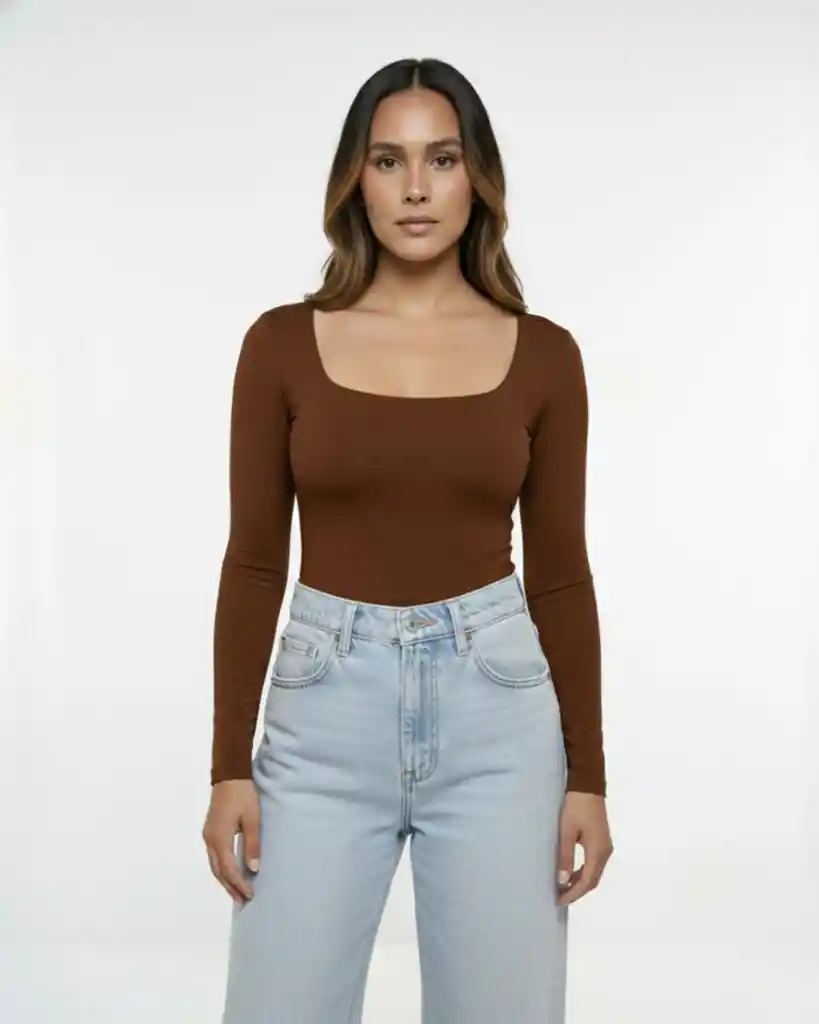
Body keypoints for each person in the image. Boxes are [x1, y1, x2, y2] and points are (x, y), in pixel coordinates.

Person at [202, 56, 614, 1024]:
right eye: (389, 160)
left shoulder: (544, 355)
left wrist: (588, 777)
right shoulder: (280, 344)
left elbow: (561, 575)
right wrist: (228, 765)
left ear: (479, 179)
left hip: (499, 721)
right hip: (320, 720)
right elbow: (254, 560)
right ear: (357, 180)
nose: (416, 187)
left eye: (443, 158)